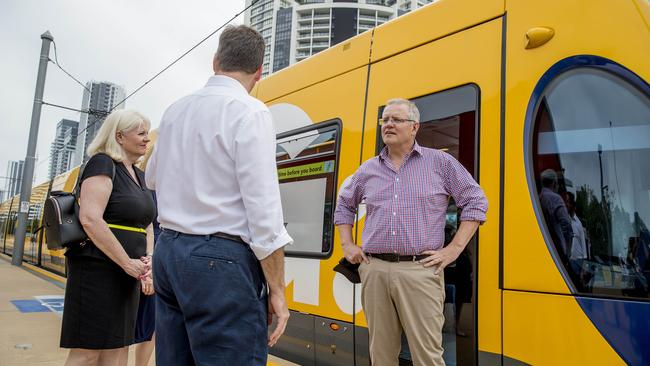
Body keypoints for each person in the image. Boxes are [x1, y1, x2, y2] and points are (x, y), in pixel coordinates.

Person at [145, 25, 293, 365]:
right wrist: (278, 291)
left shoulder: (174, 111)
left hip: (169, 254)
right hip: (219, 261)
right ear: (259, 71)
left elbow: (152, 179)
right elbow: (264, 214)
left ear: (215, 62)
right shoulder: (251, 112)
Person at [334, 98, 488, 366]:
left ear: (414, 127)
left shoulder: (441, 162)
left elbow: (476, 201)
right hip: (375, 269)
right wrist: (347, 244)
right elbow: (344, 205)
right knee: (380, 354)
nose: (389, 124)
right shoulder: (368, 169)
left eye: (396, 119)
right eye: (385, 120)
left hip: (420, 270)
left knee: (427, 356)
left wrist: (454, 249)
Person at [61, 110, 156, 366]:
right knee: (88, 351)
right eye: (141, 133)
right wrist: (127, 263)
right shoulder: (102, 163)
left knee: (119, 346)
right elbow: (91, 218)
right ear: (119, 136)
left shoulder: (140, 176)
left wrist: (148, 262)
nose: (148, 139)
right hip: (98, 269)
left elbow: (146, 225)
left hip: (129, 274)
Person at [539, 169, 573, 262]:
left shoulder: (539, 198)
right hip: (557, 250)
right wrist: (567, 251)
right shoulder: (556, 199)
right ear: (554, 183)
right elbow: (566, 224)